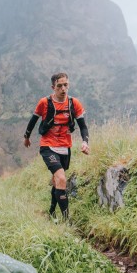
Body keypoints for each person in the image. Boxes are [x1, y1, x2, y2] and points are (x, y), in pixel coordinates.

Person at [23, 72, 90, 219]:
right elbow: (33, 120)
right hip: (48, 146)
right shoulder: (44, 103)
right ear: (53, 87)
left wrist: (85, 142)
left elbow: (83, 127)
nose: (63, 89)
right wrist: (26, 137)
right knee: (61, 179)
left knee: (56, 181)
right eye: (59, 86)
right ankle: (67, 220)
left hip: (65, 147)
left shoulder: (74, 103)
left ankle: (52, 211)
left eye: (66, 85)